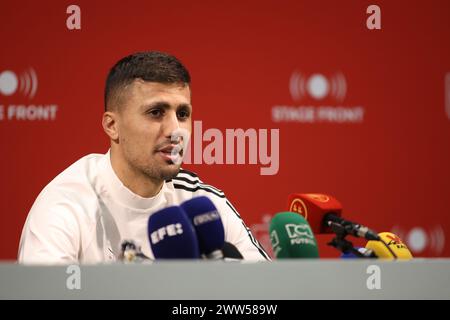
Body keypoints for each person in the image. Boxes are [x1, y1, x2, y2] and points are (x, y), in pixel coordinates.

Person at [18, 51, 270, 264]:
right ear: (112, 126)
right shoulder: (66, 205)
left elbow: (268, 293)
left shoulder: (202, 204)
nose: (175, 131)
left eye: (182, 114)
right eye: (156, 112)